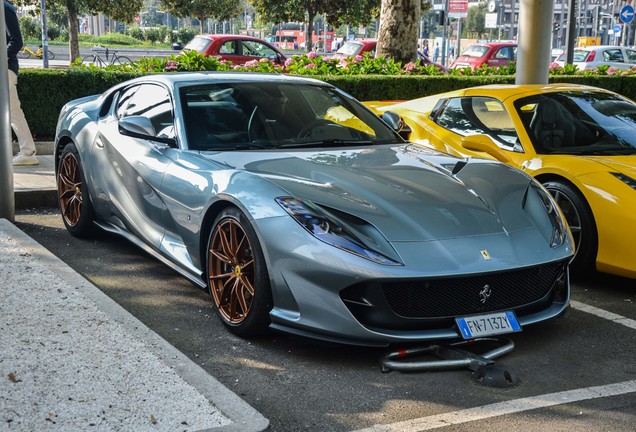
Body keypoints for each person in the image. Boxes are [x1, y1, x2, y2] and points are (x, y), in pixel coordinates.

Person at [5, 0, 38, 166]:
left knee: (13, 111)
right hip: (6, 67)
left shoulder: (4, 8)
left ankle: (28, 151)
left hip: (5, 68)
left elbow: (16, 41)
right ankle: (28, 151)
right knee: (14, 111)